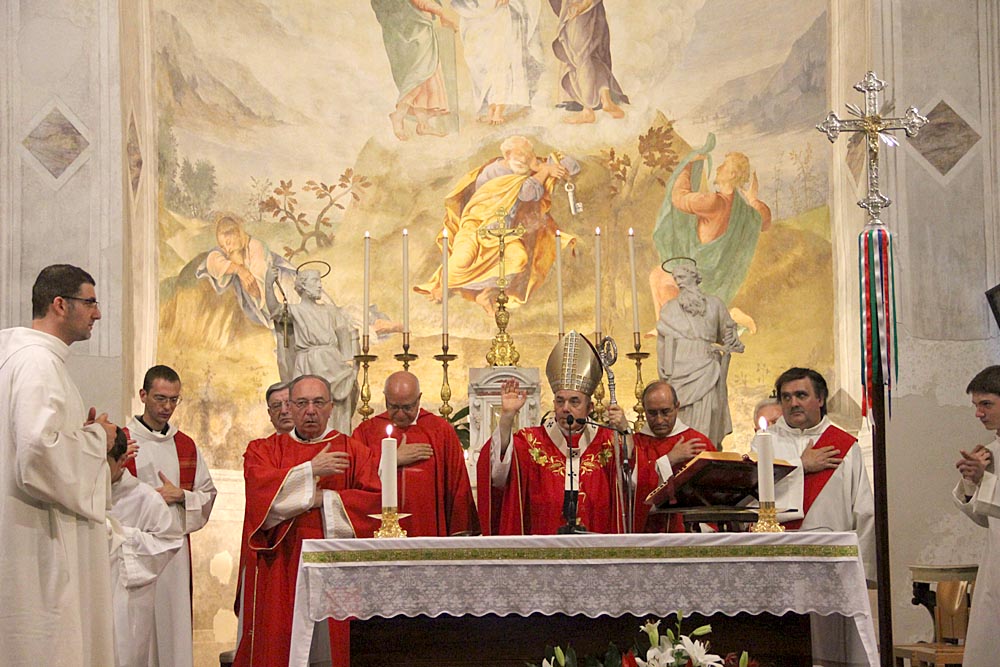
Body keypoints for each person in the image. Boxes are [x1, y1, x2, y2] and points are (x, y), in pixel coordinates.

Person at [0, 264, 117, 666]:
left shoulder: (21, 359)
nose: (98, 313)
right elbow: (37, 451)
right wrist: (99, 438)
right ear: (60, 305)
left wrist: (80, 436)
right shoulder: (37, 362)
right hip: (39, 544)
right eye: (90, 302)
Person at [234, 375, 382, 667]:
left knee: (332, 650)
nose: (310, 411)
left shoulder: (354, 451)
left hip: (335, 569)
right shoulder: (264, 450)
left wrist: (321, 499)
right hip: (282, 563)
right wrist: (310, 470)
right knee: (282, 645)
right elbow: (259, 497)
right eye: (302, 403)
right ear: (290, 407)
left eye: (318, 402)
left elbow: (373, 507)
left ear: (331, 407)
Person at [476, 331, 624, 534]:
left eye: (574, 402)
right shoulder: (531, 442)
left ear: (590, 407)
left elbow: (632, 485)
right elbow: (497, 474)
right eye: (560, 401)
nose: (565, 408)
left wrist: (625, 432)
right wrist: (507, 417)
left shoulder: (607, 442)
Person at [415, 135, 579, 313]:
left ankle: (485, 294)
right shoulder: (493, 172)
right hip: (476, 228)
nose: (527, 159)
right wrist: (544, 171)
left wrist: (546, 165)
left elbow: (572, 166)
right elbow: (526, 193)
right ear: (508, 155)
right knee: (462, 259)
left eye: (529, 154)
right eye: (522, 155)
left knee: (518, 259)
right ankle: (444, 286)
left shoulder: (527, 166)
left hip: (504, 234)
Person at [125, 365, 217, 667]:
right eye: (160, 398)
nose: (167, 407)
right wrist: (146, 499)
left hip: (174, 555)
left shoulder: (185, 445)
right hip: (134, 552)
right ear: (143, 395)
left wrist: (181, 496)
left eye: (174, 400)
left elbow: (208, 495)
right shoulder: (123, 441)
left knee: (172, 630)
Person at [760, 368, 875, 570]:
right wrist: (801, 465)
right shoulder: (764, 442)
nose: (793, 403)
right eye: (786, 397)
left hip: (832, 559)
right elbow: (753, 498)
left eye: (801, 395)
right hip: (777, 557)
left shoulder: (846, 446)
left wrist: (862, 567)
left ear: (820, 399)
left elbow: (864, 511)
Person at [352, 371, 478, 536]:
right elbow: (355, 476)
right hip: (379, 531)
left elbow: (457, 485)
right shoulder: (367, 432)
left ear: (419, 399)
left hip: (426, 526)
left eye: (407, 407)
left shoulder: (440, 431)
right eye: (393, 406)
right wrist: (391, 460)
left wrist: (460, 531)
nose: (400, 414)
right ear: (385, 398)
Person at [653, 145, 772, 310]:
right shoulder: (740, 209)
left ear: (732, 174)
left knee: (657, 278)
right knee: (661, 278)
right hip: (717, 278)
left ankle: (669, 322)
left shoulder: (713, 202)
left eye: (723, 165)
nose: (718, 168)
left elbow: (679, 198)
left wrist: (687, 166)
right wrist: (752, 200)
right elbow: (765, 221)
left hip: (700, 275)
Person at [107, 427, 184, 667]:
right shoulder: (79, 492)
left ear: (122, 460)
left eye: (104, 463)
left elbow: (170, 540)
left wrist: (120, 536)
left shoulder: (145, 497)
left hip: (126, 601)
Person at [232, 382, 295, 651]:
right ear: (269, 414)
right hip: (267, 552)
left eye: (289, 403)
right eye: (276, 406)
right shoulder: (260, 450)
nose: (284, 410)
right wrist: (308, 476)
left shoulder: (324, 446)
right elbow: (261, 490)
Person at [607, 380, 715, 533]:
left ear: (677, 407)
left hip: (689, 533)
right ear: (644, 410)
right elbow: (630, 489)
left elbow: (714, 494)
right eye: (652, 413)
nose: (659, 420)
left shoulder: (697, 442)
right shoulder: (636, 444)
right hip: (647, 533)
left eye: (665, 412)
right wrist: (669, 460)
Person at [657, 262, 743, 447]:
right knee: (682, 413)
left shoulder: (715, 304)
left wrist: (731, 338)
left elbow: (727, 333)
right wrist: (665, 372)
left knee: (710, 411)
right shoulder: (669, 309)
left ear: (694, 277)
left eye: (682, 277)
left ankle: (706, 451)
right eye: (676, 278)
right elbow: (664, 345)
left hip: (708, 366)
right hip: (680, 370)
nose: (679, 282)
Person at [266, 266, 360, 434]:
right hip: (309, 363)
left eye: (320, 281)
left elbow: (343, 332)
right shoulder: (296, 311)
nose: (319, 286)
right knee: (307, 403)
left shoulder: (330, 311)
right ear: (303, 285)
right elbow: (275, 310)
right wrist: (268, 285)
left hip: (334, 363)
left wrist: (349, 363)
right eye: (315, 281)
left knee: (338, 407)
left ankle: (338, 438)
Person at [952, 366, 1000, 667]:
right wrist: (972, 483)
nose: (978, 413)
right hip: (995, 566)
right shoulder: (990, 452)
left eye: (986, 404)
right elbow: (987, 518)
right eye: (976, 405)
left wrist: (986, 480)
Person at [371, 0, 458, 140]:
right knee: (421, 74)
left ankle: (423, 124)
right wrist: (443, 13)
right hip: (414, 31)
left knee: (427, 76)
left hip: (410, 29)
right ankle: (398, 115)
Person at [451, 0, 543, 125]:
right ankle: (490, 106)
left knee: (501, 58)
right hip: (478, 13)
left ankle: (498, 107)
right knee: (482, 60)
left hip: (502, 13)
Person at [549, 0, 628, 124]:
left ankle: (587, 110)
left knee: (579, 57)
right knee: (592, 55)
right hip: (592, 9)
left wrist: (583, 4)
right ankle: (606, 99)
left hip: (580, 8)